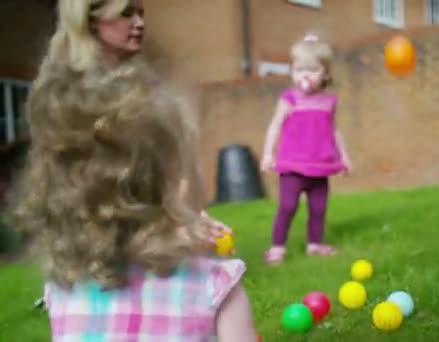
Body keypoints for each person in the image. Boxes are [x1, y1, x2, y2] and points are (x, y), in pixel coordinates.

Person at [14, 1, 257, 340]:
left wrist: (181, 226)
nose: (139, 23)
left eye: (142, 12)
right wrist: (177, 227)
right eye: (127, 12)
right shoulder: (213, 284)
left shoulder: (63, 292)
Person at [260, 32, 352, 265]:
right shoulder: (289, 98)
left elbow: (335, 130)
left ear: (326, 74)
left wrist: (345, 157)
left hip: (321, 165)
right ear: (292, 72)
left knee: (318, 207)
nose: (305, 75)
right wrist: (268, 153)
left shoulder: (329, 101)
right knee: (288, 205)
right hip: (293, 165)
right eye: (299, 69)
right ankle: (277, 247)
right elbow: (275, 126)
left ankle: (315, 244)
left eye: (312, 70)